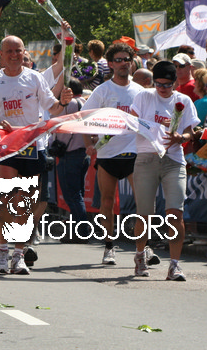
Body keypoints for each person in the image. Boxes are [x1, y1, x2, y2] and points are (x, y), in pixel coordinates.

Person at [0, 32, 72, 275]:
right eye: (10, 51)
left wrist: (64, 102)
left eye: (19, 51)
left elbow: (54, 108)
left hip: (32, 146)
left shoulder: (34, 78)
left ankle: (18, 255)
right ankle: (2, 251)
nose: (15, 55)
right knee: (7, 197)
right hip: (6, 145)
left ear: (25, 53)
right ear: (2, 55)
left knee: (24, 202)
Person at [130, 60, 199, 281]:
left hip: (173, 160)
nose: (162, 88)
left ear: (174, 83)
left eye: (167, 85)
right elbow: (131, 121)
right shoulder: (144, 96)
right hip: (146, 158)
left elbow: (191, 132)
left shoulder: (183, 100)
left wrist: (181, 137)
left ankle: (175, 265)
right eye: (158, 84)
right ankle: (140, 255)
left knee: (175, 214)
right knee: (144, 214)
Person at [82, 43, 147, 265]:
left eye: (126, 59)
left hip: (134, 152)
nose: (123, 63)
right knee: (107, 202)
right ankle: (109, 246)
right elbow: (84, 117)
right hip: (108, 154)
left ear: (132, 62)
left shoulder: (140, 91)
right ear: (110, 64)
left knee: (142, 202)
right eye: (118, 60)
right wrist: (88, 143)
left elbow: (148, 120)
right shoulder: (103, 91)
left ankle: (143, 248)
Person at [53, 80, 88, 238]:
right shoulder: (84, 103)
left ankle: (81, 232)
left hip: (70, 153)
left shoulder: (70, 104)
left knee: (72, 196)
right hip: (82, 153)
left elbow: (55, 119)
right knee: (78, 194)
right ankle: (79, 230)